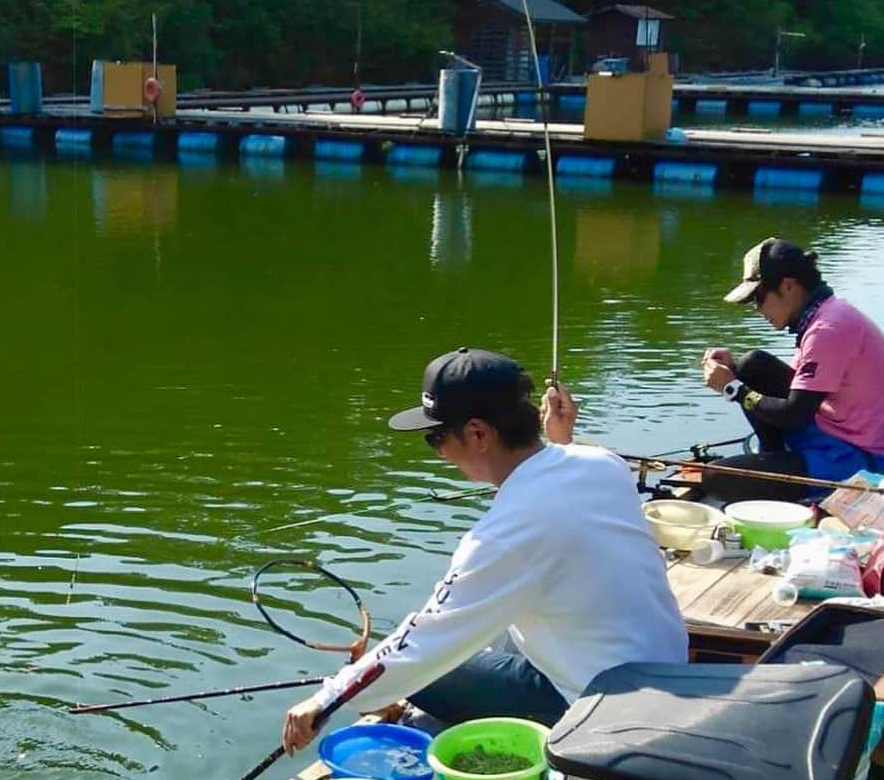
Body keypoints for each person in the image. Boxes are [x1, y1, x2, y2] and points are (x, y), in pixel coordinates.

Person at [283, 346, 688, 753]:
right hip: (663, 664)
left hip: (605, 706)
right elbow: (566, 476)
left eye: (436, 437)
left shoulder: (505, 537)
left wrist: (327, 699)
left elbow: (423, 642)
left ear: (478, 434)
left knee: (427, 675)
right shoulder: (600, 462)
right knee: (488, 633)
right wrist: (561, 439)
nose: (438, 452)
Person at [701, 237, 884, 503]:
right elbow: (798, 391)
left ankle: (784, 474)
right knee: (751, 364)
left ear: (787, 286)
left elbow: (794, 414)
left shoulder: (828, 329)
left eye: (759, 298)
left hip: (856, 458)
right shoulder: (825, 314)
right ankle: (775, 458)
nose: (757, 309)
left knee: (716, 479)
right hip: (831, 430)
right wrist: (734, 371)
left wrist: (733, 389)